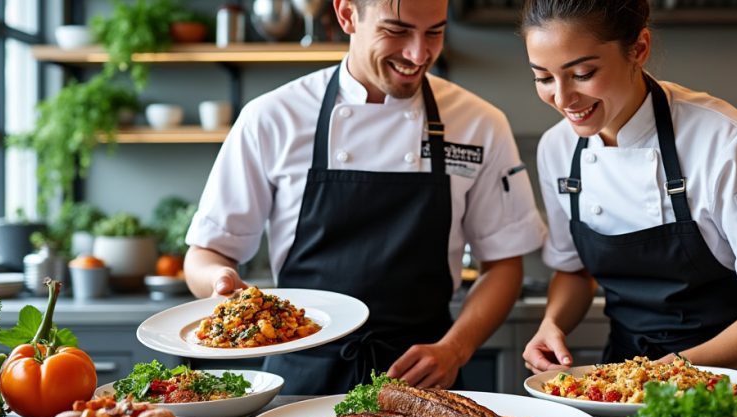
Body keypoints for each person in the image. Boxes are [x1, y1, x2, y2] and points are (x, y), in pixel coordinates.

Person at [184, 0, 546, 394]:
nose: (418, 54)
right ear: (346, 15)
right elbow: (205, 255)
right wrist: (221, 283)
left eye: (435, 32)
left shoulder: (479, 123)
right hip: (299, 382)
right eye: (396, 30)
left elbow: (504, 265)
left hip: (423, 382)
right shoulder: (272, 118)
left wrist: (455, 349)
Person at [519, 0, 737, 382]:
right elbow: (574, 271)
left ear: (639, 48)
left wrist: (667, 372)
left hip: (734, 383)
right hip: (623, 380)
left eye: (582, 73)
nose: (562, 99)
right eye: (543, 78)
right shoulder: (557, 148)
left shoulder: (727, 141)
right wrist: (552, 323)